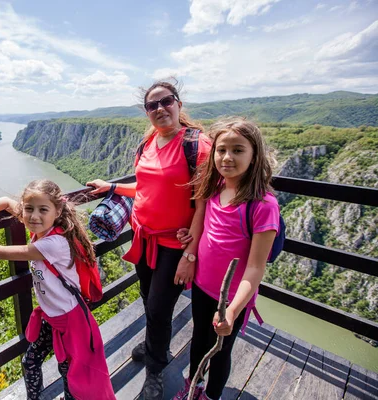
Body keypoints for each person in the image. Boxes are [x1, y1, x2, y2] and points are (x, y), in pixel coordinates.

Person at [86, 79, 211, 400]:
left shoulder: (197, 145)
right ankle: (153, 343)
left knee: (158, 308)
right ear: (147, 112)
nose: (160, 109)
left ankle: (156, 368)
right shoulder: (148, 144)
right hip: (142, 237)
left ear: (179, 104)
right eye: (152, 105)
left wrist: (190, 254)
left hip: (174, 245)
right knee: (147, 298)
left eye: (166, 101)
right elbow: (144, 187)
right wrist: (112, 186)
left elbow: (204, 202)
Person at [0, 179, 115, 400]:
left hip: (70, 320)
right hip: (50, 317)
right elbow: (6, 202)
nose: (33, 216)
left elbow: (2, 252)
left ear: (57, 211)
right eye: (29, 209)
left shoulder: (53, 243)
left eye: (42, 210)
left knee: (70, 373)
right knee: (30, 362)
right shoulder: (42, 225)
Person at [172, 117, 280, 400]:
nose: (227, 157)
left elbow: (256, 268)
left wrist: (231, 311)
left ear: (254, 155)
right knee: (198, 341)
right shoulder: (216, 185)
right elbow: (205, 226)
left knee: (220, 350)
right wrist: (190, 248)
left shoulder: (263, 205)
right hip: (203, 285)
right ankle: (193, 387)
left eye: (238, 150)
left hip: (231, 297)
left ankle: (211, 395)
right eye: (221, 150)